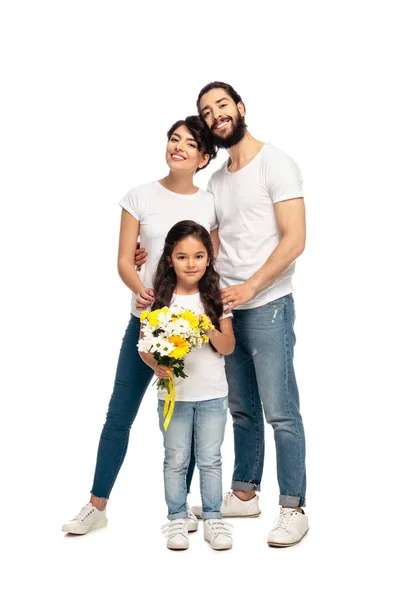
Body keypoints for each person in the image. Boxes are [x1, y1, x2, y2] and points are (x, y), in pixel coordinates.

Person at [136, 82, 309, 547]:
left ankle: (293, 505)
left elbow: (295, 240)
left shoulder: (277, 164)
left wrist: (251, 286)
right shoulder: (217, 181)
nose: (216, 116)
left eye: (222, 106)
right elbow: (205, 245)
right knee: (241, 410)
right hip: (226, 310)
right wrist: (151, 253)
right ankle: (244, 493)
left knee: (281, 412)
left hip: (269, 304)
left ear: (240, 108)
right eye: (207, 112)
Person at [62, 116, 217, 535]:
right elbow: (122, 261)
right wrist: (140, 289)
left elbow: (211, 264)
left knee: (182, 419)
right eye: (173, 139)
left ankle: (180, 511)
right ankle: (96, 505)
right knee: (119, 414)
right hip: (145, 324)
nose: (178, 146)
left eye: (189, 143)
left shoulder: (210, 203)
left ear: (204, 158)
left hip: (192, 330)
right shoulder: (139, 196)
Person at [139, 220, 235, 550]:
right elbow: (145, 347)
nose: (190, 263)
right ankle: (177, 519)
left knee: (210, 458)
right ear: (169, 259)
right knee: (175, 458)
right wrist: (158, 366)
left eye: (197, 256)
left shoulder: (216, 299)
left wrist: (208, 328)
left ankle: (214, 520)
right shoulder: (160, 302)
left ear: (209, 258)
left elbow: (227, 347)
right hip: (174, 396)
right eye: (182, 257)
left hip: (212, 394)